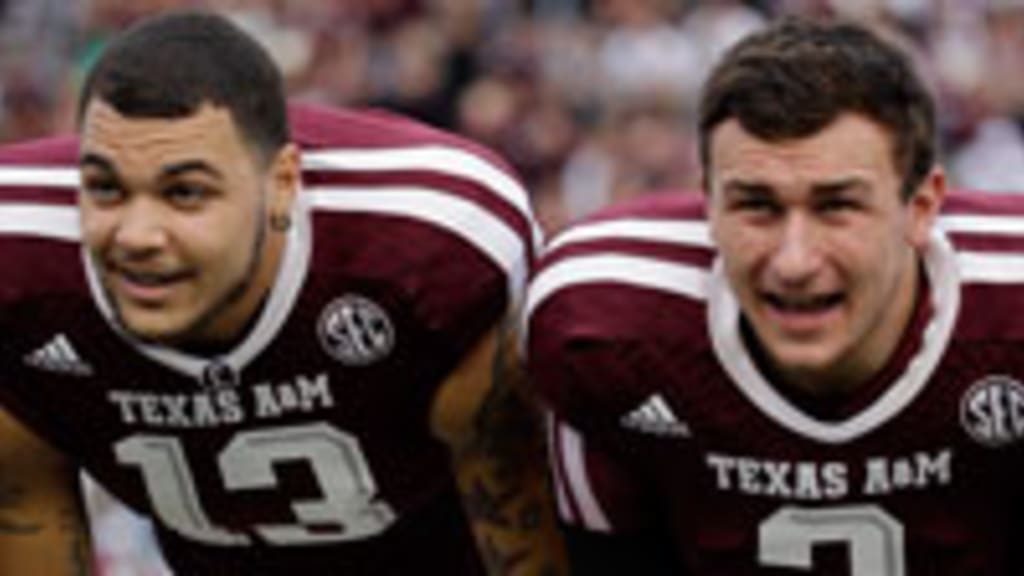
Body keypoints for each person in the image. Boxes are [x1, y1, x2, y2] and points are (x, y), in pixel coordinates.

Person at [0, 10, 566, 575]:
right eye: (104, 189)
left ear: (282, 185)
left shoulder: (428, 243)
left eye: (186, 193)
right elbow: (28, 506)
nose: (137, 236)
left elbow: (519, 498)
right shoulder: (19, 256)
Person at [526, 16, 1024, 575]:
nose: (794, 261)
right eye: (755, 205)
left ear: (922, 208)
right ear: (707, 203)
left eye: (837, 205)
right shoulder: (602, 318)